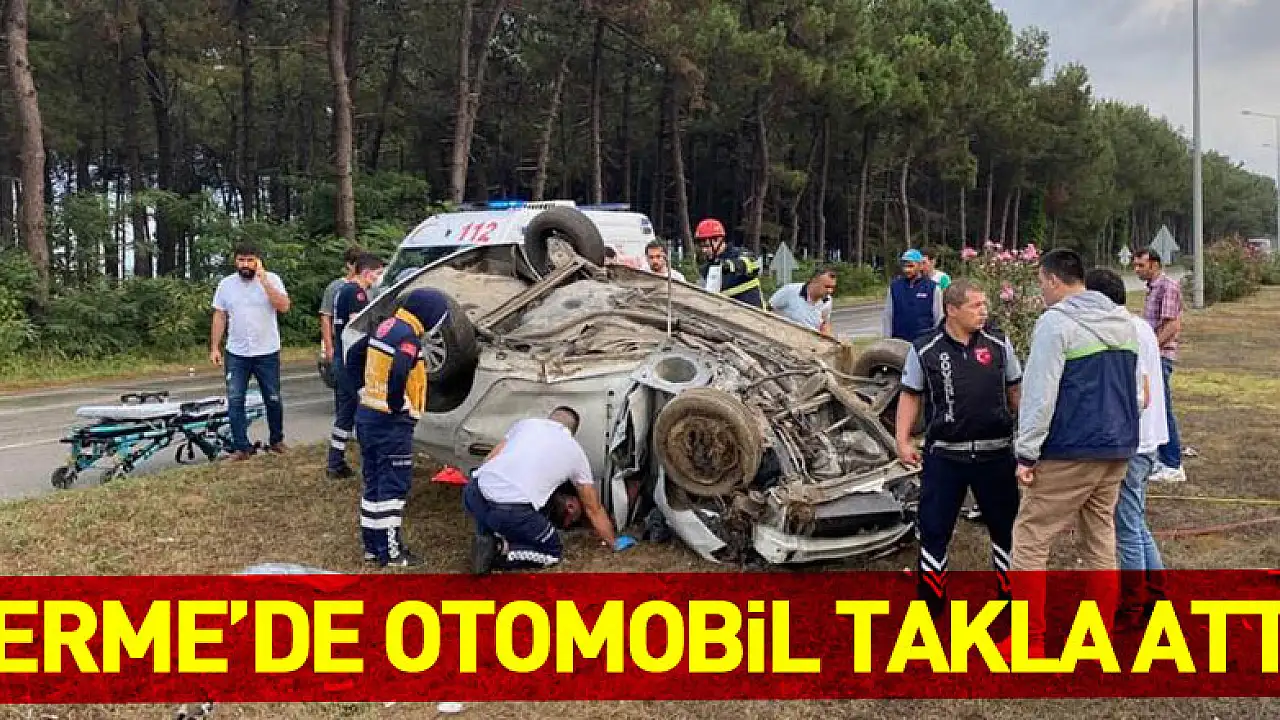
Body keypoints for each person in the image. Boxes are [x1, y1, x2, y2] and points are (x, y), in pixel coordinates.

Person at [1003, 248, 1141, 659]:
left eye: (1040, 283)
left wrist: (1026, 453)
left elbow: (1039, 394)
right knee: (1100, 538)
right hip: (1117, 449)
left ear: (1051, 280)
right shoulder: (1124, 322)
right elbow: (1135, 391)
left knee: (1030, 539)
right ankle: (1099, 635)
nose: (1041, 292)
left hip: (1069, 449)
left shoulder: (1055, 323)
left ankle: (1029, 640)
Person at [896, 279, 1023, 618]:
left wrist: (1027, 439)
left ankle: (1010, 600)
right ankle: (932, 602)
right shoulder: (924, 348)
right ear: (952, 310)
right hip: (945, 455)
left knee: (1006, 528)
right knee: (934, 529)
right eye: (975, 305)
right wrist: (902, 440)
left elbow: (1015, 390)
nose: (984, 311)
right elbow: (910, 395)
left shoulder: (999, 343)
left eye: (985, 304)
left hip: (995, 453)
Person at [1085, 267, 1169, 630]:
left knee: (1126, 528)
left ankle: (1134, 605)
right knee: (1136, 520)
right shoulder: (1139, 326)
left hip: (1132, 442)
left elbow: (1140, 393)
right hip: (1146, 439)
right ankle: (1156, 592)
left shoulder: (1122, 331)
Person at [344, 289, 449, 567]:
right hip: (390, 423)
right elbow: (401, 368)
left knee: (374, 483)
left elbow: (353, 355)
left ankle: (373, 546)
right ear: (428, 316)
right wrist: (394, 402)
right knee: (393, 485)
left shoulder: (386, 326)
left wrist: (361, 390)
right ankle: (391, 552)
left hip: (368, 414)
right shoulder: (408, 338)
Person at [463, 408, 637, 574]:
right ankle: (497, 549)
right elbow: (593, 508)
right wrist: (613, 542)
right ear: (572, 430)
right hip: (510, 508)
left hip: (473, 493)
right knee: (552, 552)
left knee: (495, 506)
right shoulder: (574, 451)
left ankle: (485, 536)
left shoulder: (526, 425)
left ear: (550, 418)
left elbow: (490, 459)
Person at [210, 243, 291, 460]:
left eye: (250, 260)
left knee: (272, 398)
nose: (245, 264)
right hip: (237, 353)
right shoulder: (226, 284)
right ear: (235, 261)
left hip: (267, 351)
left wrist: (264, 281)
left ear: (258, 261)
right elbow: (220, 316)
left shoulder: (272, 279)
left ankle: (277, 441)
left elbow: (283, 306)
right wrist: (215, 347)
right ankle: (241, 447)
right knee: (235, 399)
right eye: (241, 260)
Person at [326, 252, 386, 480]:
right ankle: (371, 461)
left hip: (341, 358)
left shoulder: (343, 290)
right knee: (366, 411)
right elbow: (359, 325)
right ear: (367, 273)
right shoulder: (356, 293)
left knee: (346, 413)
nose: (379, 278)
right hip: (351, 362)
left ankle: (335, 461)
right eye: (378, 273)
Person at [1133, 249, 1186, 483]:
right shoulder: (1153, 289)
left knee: (1163, 409)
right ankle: (1160, 459)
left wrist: (1151, 350)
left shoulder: (1167, 287)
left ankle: (1173, 464)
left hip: (1160, 356)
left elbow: (1172, 325)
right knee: (1154, 407)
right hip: (1154, 356)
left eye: (1141, 265)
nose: (1137, 270)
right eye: (1135, 265)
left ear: (1154, 265)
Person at [694, 218, 766, 309]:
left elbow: (754, 265)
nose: (704, 250)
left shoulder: (738, 254)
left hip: (753, 314)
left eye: (707, 246)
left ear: (719, 240)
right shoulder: (707, 268)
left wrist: (730, 266)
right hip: (726, 315)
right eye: (701, 247)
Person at [882, 249, 943, 342]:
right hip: (900, 341)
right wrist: (887, 341)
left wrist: (938, 341)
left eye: (911, 266)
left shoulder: (933, 288)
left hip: (925, 341)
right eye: (904, 266)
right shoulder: (894, 287)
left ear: (920, 266)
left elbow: (939, 318)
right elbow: (888, 316)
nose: (906, 270)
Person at [320, 247, 362, 367]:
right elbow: (325, 317)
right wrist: (328, 347)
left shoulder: (369, 287)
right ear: (349, 265)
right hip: (339, 338)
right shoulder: (335, 287)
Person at [769, 267, 837, 336]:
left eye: (832, 287)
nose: (830, 291)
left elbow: (825, 322)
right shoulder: (790, 290)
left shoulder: (828, 300)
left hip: (810, 340)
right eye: (827, 287)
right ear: (814, 281)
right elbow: (767, 311)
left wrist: (826, 334)